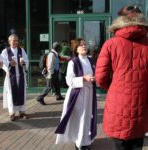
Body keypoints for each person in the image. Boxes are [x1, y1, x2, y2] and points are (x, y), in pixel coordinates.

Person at [95, 5, 148, 150]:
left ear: (121, 20)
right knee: (137, 144)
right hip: (141, 103)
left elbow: (100, 77)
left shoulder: (111, 44)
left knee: (120, 145)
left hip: (118, 103)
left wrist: (114, 88)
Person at [55, 38, 97, 150]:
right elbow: (69, 81)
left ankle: (86, 140)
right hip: (77, 95)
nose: (84, 46)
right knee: (79, 118)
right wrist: (84, 78)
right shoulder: (72, 62)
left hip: (89, 93)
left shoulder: (90, 60)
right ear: (76, 49)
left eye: (85, 44)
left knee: (88, 116)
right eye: (81, 45)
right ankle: (79, 142)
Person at [1, 34, 29, 121]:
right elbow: (2, 62)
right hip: (11, 76)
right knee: (11, 94)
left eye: (17, 40)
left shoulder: (22, 50)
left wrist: (23, 63)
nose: (15, 42)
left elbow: (26, 60)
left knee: (22, 93)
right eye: (13, 41)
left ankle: (22, 112)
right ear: (9, 42)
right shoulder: (5, 51)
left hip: (21, 75)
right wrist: (9, 64)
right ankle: (12, 113)